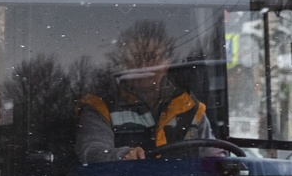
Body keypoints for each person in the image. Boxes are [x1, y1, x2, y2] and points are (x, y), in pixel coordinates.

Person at [75, 20, 213, 163]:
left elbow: (213, 155)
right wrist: (122, 156)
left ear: (167, 63)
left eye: (152, 58)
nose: (144, 66)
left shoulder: (190, 107)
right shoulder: (100, 108)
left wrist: (221, 162)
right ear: (123, 65)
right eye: (136, 58)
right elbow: (91, 151)